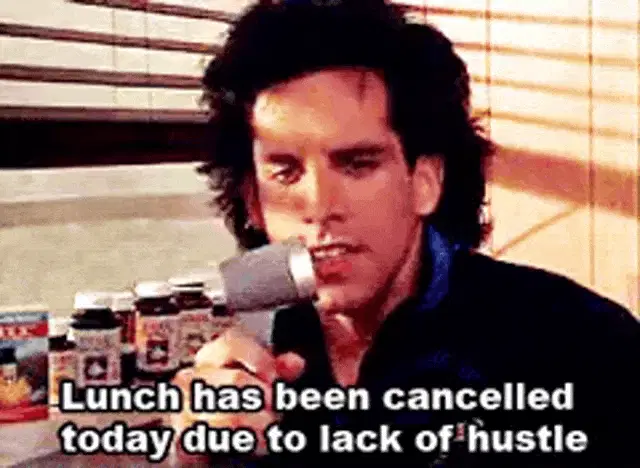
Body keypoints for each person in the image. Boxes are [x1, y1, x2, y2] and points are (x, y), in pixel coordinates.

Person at [172, 1, 640, 466]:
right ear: (253, 202)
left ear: (425, 182)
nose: (318, 206)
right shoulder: (247, 362)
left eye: (357, 165)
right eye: (286, 172)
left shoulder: (585, 346)